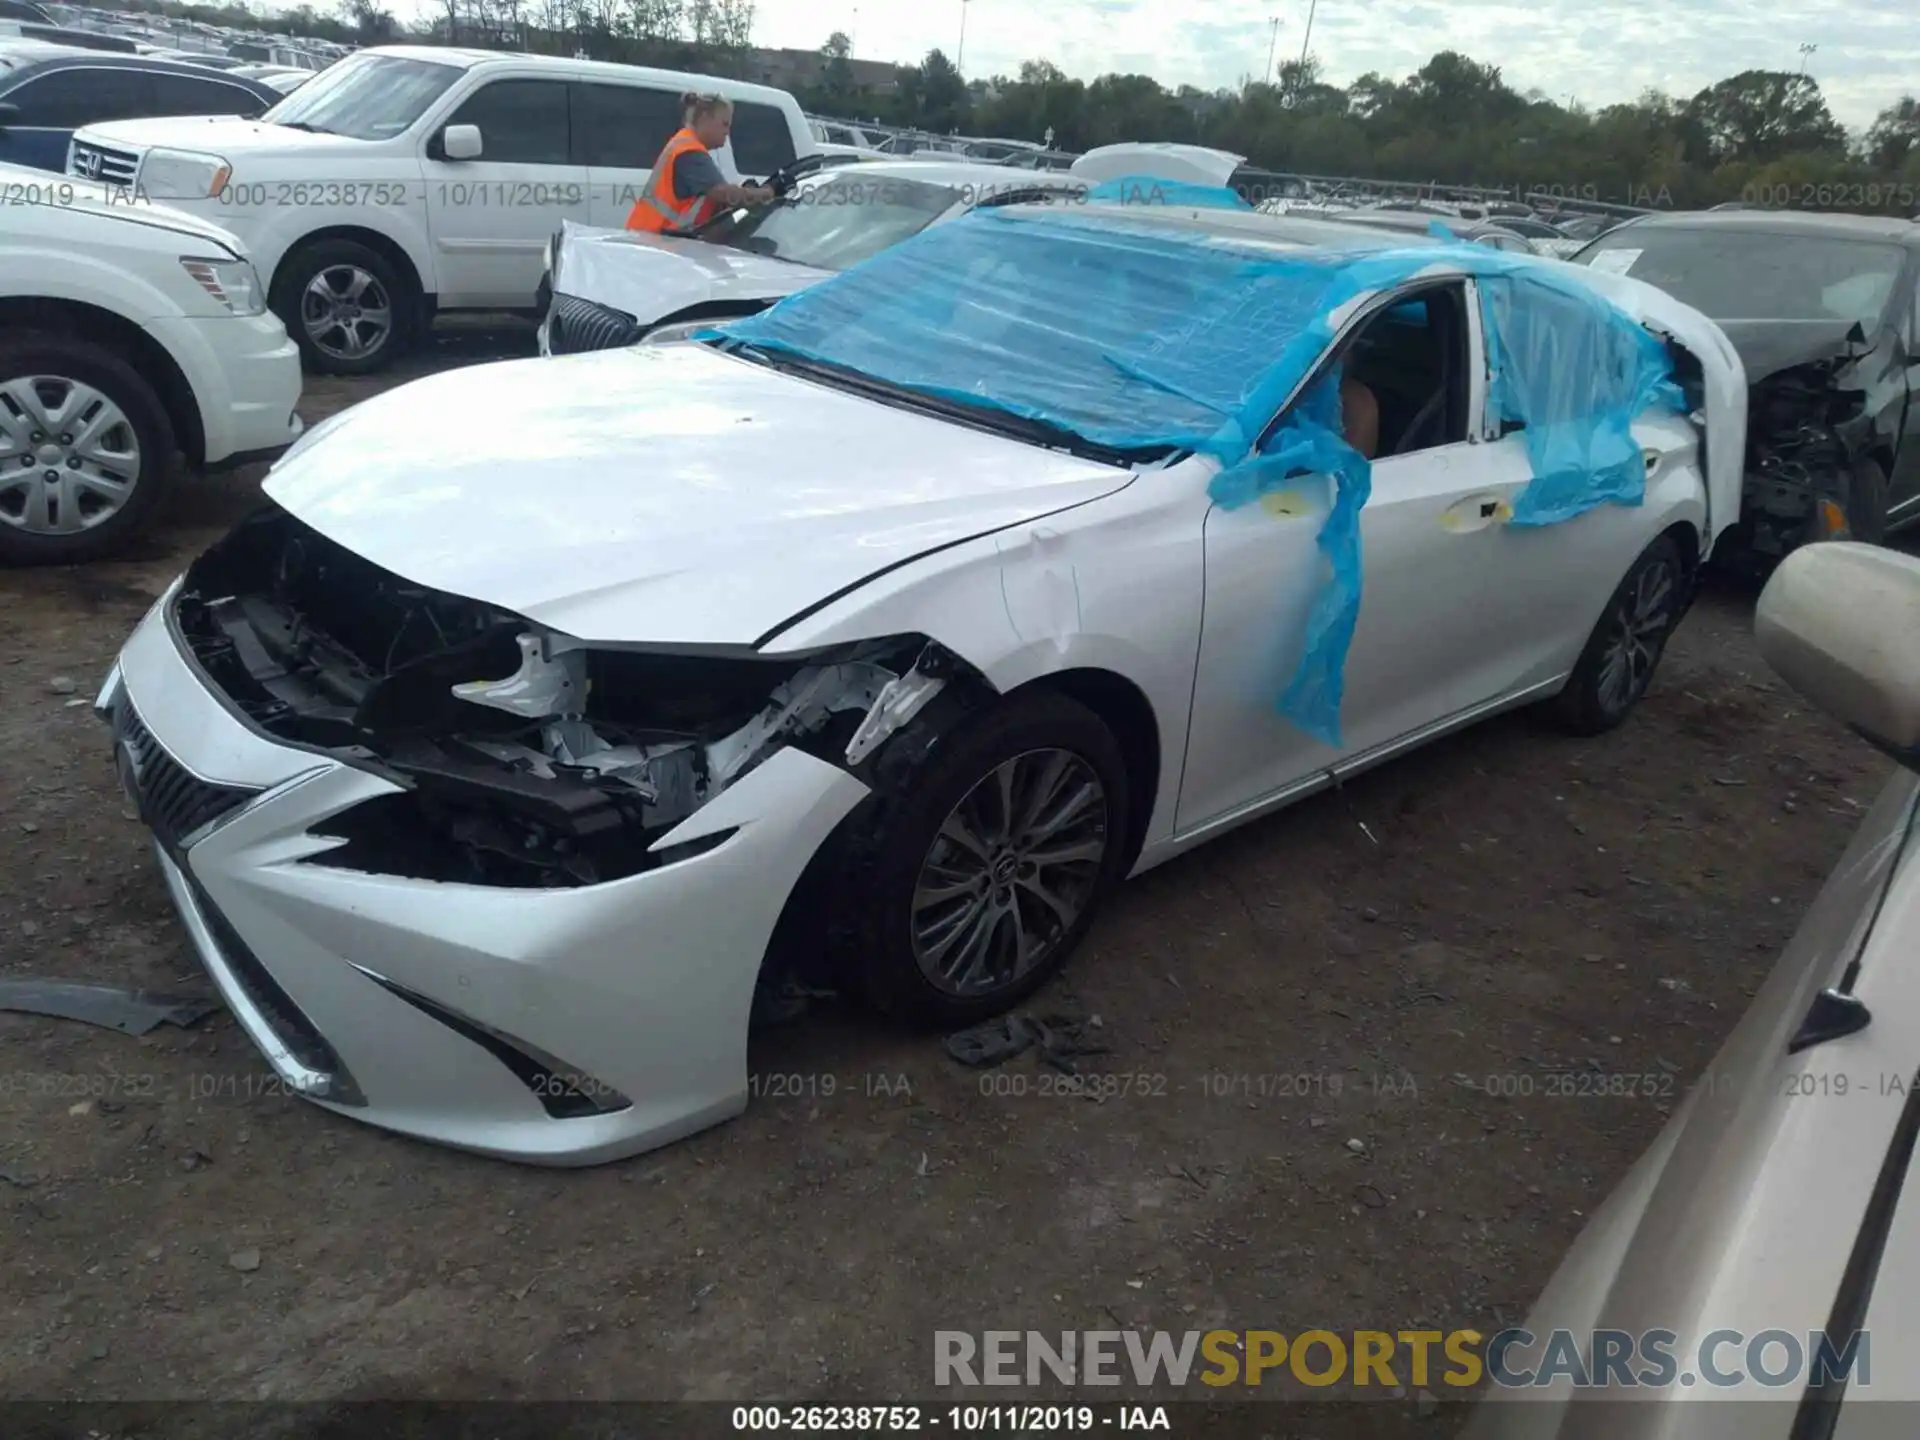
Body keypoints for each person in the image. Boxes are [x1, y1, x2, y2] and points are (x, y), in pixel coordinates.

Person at [625, 92, 778, 233]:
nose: (727, 132)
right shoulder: (689, 152)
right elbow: (724, 194)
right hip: (654, 240)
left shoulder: (685, 143)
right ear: (705, 118)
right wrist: (764, 194)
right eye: (724, 124)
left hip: (650, 238)